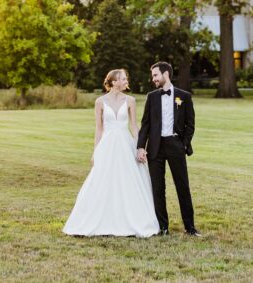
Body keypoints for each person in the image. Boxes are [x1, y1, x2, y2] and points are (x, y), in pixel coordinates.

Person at [63, 69, 160, 237]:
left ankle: (131, 220)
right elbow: (99, 130)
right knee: (102, 179)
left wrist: (140, 147)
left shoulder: (130, 100)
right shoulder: (100, 102)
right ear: (114, 82)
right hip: (107, 145)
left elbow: (134, 126)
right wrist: (95, 151)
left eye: (125, 78)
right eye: (122, 78)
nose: (125, 81)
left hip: (125, 144)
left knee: (128, 180)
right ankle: (99, 219)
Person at [136, 61, 199, 236]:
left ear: (166, 74)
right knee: (158, 188)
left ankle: (190, 227)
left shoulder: (184, 96)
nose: (153, 79)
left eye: (155, 75)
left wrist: (183, 144)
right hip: (155, 147)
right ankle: (163, 227)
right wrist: (141, 146)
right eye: (152, 76)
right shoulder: (152, 97)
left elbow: (190, 124)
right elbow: (145, 124)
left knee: (182, 187)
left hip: (175, 146)